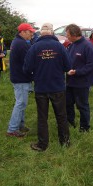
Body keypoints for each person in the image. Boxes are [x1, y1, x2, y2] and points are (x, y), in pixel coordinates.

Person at [23, 23, 71, 151]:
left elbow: (27, 69)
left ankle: (42, 144)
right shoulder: (60, 47)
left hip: (41, 87)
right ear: (52, 33)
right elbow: (68, 66)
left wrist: (37, 72)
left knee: (42, 117)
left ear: (41, 34)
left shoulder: (34, 48)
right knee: (61, 115)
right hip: (58, 87)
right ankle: (65, 141)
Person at [65, 24, 93, 132]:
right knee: (68, 103)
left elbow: (92, 64)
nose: (66, 36)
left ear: (74, 34)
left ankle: (84, 127)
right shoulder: (72, 45)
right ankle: (70, 122)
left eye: (68, 34)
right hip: (70, 81)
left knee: (82, 105)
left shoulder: (87, 45)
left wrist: (77, 72)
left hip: (82, 82)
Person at [6, 23, 35, 137]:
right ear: (22, 32)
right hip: (21, 78)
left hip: (19, 76)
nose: (32, 34)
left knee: (22, 102)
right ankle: (12, 129)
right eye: (30, 32)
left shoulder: (17, 41)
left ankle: (20, 125)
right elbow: (28, 62)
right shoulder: (21, 44)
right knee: (21, 103)